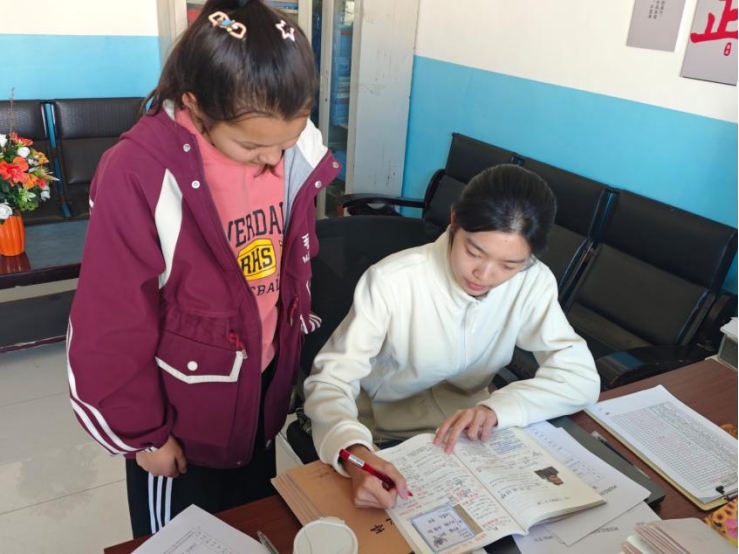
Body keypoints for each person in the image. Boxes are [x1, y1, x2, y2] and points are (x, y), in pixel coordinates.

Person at [67, 0, 339, 537]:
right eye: (252, 146)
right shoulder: (139, 172)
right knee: (182, 540)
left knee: (253, 526)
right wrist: (144, 435)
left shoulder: (291, 149)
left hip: (260, 394)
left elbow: (290, 273)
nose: (272, 160)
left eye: (286, 143)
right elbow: (111, 322)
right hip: (180, 415)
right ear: (196, 105)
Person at [304, 164, 600, 510]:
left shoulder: (532, 281)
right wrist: (355, 453)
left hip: (471, 437)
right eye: (474, 252)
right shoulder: (392, 281)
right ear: (455, 220)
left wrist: (498, 408)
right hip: (384, 439)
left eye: (509, 265)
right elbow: (329, 382)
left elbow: (580, 378)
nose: (484, 275)